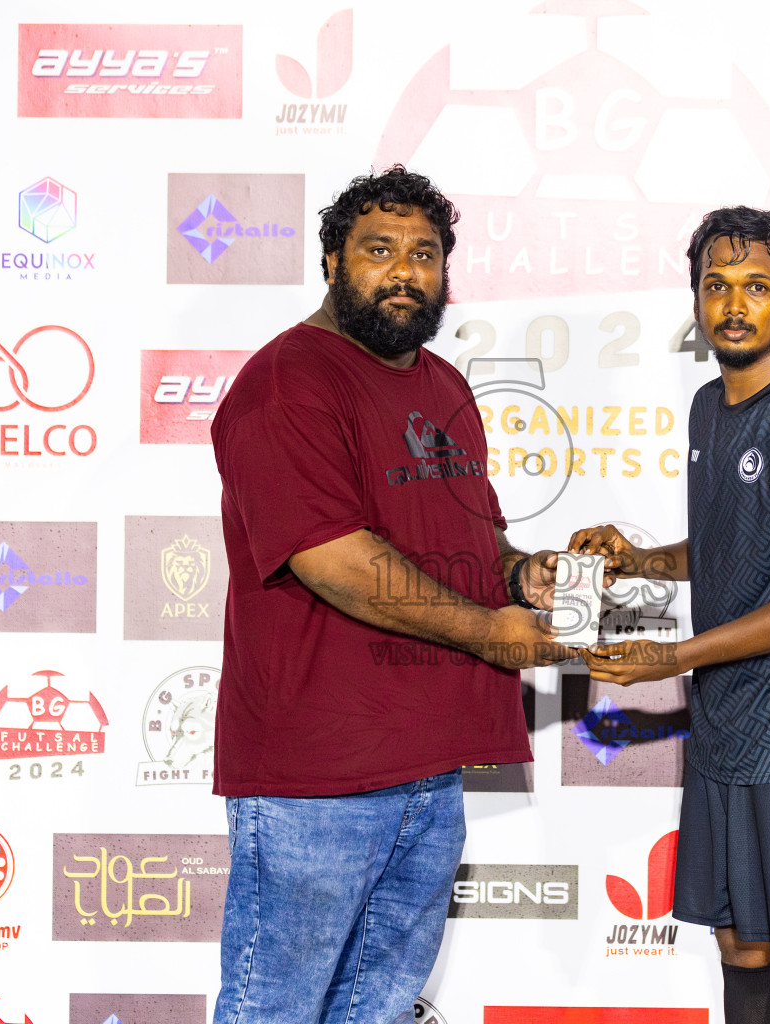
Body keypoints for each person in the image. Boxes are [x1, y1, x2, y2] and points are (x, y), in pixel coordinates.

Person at [209, 166, 569, 1024]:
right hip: (316, 776)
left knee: (379, 1010)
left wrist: (521, 574)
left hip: (431, 769)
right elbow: (332, 557)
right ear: (332, 260)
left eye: (425, 253)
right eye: (380, 251)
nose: (405, 272)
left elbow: (472, 535)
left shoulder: (443, 385)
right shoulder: (285, 384)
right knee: (276, 1011)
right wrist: (493, 633)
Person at [572, 207, 770, 1024]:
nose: (734, 304)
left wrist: (674, 658)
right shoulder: (710, 405)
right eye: (717, 285)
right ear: (697, 299)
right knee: (741, 944)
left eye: (757, 286)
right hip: (726, 729)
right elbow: (727, 549)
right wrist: (635, 561)